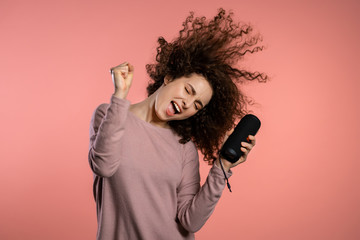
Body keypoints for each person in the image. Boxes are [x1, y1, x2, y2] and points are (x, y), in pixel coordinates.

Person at [88, 8, 267, 240]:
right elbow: (103, 166)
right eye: (188, 90)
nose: (187, 104)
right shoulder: (110, 115)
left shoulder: (183, 147)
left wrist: (222, 166)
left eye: (197, 105)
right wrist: (120, 97)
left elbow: (190, 220)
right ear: (170, 76)